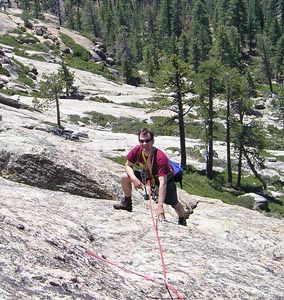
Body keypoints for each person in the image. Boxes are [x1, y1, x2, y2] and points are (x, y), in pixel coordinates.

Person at [113, 127, 187, 226]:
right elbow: (127, 165)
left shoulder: (160, 157)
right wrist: (134, 179)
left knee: (175, 204)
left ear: (152, 141)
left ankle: (182, 218)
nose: (144, 143)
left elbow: (163, 183)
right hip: (147, 176)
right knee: (124, 177)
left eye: (147, 141)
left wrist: (160, 207)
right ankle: (127, 203)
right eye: (142, 141)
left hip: (164, 179)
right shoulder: (137, 150)